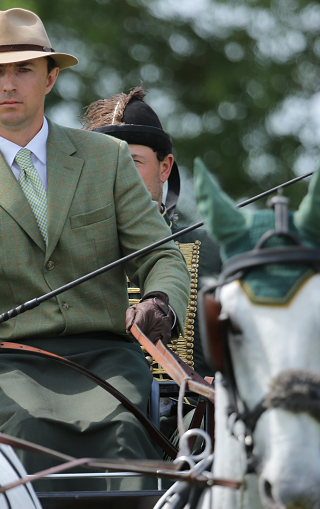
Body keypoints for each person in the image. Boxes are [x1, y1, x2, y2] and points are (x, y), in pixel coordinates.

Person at [0, 8, 190, 488]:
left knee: (126, 443)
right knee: (23, 439)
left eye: (24, 69)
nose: (9, 84)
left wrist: (161, 301)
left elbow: (161, 255)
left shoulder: (108, 160)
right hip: (5, 360)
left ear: (51, 77)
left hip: (108, 360)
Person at [80, 87, 222, 377]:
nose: (117, 176)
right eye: (104, 164)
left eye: (132, 161)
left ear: (165, 167)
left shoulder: (216, 253)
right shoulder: (57, 251)